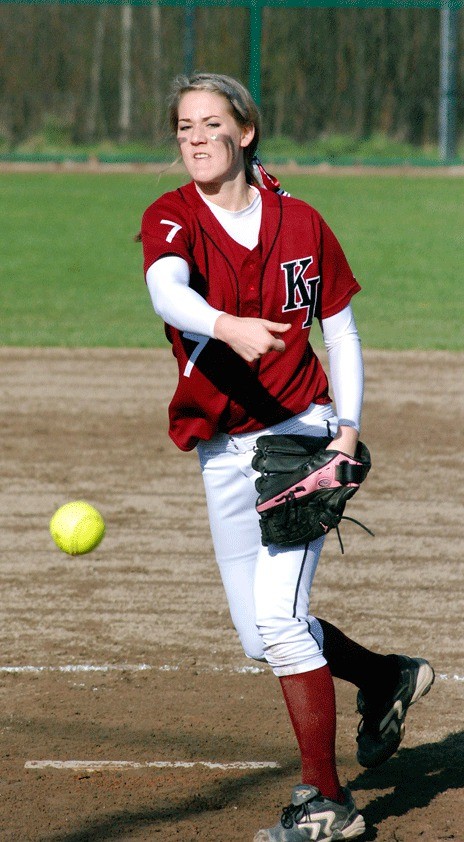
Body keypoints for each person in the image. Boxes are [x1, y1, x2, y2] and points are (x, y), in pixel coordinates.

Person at [140, 72, 434, 842]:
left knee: (278, 618)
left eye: (209, 123)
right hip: (221, 449)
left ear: (245, 129)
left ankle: (327, 803)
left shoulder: (301, 221)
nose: (195, 138)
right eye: (182, 127)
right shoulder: (172, 217)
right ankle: (384, 676)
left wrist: (345, 429)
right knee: (259, 634)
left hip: (298, 436)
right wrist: (225, 324)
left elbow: (342, 328)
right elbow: (166, 291)